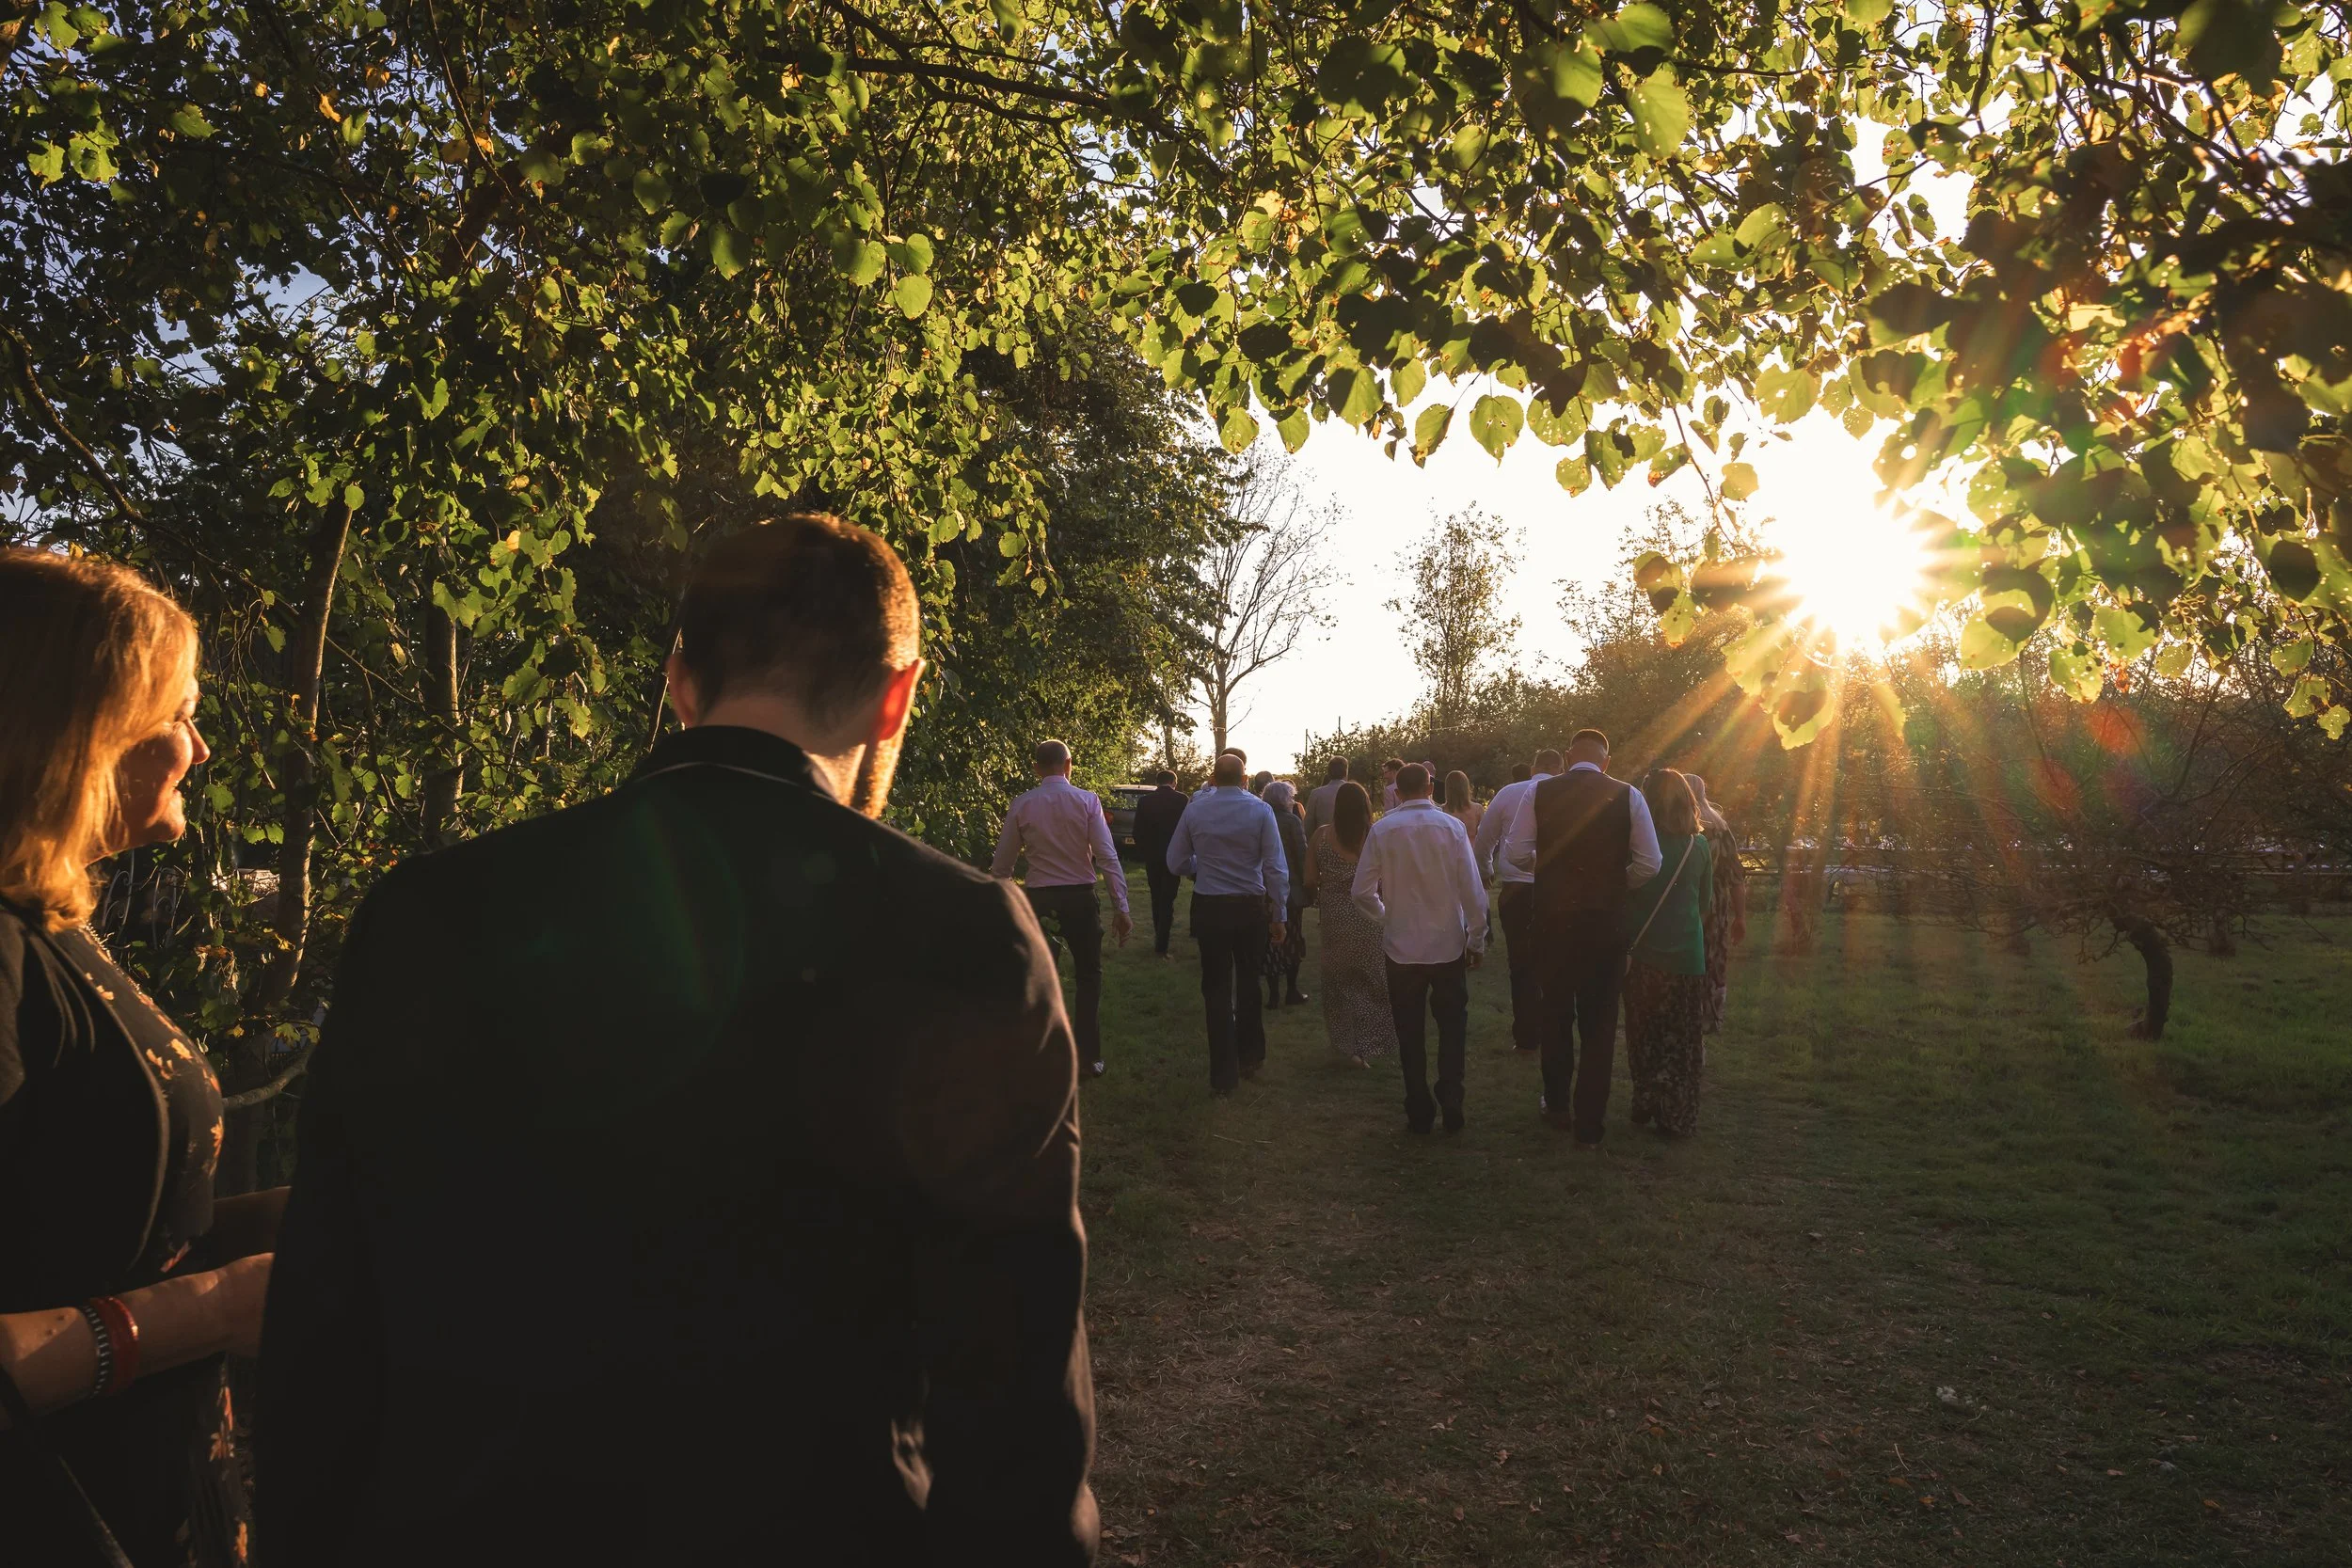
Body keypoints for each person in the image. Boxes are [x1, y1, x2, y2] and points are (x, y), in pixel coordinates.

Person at [259, 515, 1098, 1563]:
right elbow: (1014, 1388)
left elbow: (324, 1333)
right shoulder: (965, 933)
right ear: (898, 696)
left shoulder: (428, 912)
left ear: (678, 682)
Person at [0, 549, 277, 1567]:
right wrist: (208, 1310)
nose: (200, 748)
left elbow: (90, 1226)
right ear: (79, 729)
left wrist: (316, 1216)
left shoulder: (53, 925)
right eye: (178, 712)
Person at [1502, 729, 1661, 1146]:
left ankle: (1556, 1104)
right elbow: (1651, 861)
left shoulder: (1539, 793)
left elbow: (1515, 853)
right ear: (1606, 761)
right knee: (1600, 1021)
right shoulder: (1628, 795)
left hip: (1553, 920)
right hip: (1606, 922)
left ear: (1570, 757)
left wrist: (1549, 864)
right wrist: (1616, 882)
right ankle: (1590, 1121)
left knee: (1555, 1012)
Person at [1351, 765, 1488, 1133]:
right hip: (1447, 944)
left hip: (1402, 948)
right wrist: (1476, 939)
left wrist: (1387, 917)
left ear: (1397, 790)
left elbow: (1361, 892)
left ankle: (1417, 1103)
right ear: (1430, 786)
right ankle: (1452, 1092)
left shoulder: (1383, 829)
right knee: (1452, 1024)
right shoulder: (1452, 828)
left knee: (1408, 1029)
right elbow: (1473, 892)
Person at [993, 738, 1134, 1076]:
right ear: (1069, 765)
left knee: (1042, 979)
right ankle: (1088, 1057)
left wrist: (1009, 903)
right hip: (1081, 899)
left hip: (1041, 900)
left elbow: (1001, 867)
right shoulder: (1087, 801)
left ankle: (1040, 1055)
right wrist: (1121, 906)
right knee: (1089, 976)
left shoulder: (1023, 804)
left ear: (1035, 768)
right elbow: (1106, 856)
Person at [1165, 752, 1288, 1096]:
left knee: (1216, 986)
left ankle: (1222, 1071)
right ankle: (1250, 1056)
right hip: (1250, 906)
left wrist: (1200, 865)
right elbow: (1275, 866)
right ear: (1245, 779)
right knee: (1249, 980)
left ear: (1213, 778)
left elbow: (1174, 860)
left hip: (1210, 906)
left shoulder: (1195, 808)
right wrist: (1280, 914)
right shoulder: (1261, 810)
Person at [1623, 769, 1715, 1137]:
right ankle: (1676, 1112)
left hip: (1643, 954)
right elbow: (1704, 904)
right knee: (1683, 1037)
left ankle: (1646, 1096)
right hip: (1687, 957)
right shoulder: (1700, 848)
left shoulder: (1639, 848)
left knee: (1643, 1033)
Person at [1472, 748, 1560, 1053]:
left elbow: (1485, 840)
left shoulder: (1509, 793)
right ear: (1559, 768)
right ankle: (1554, 1029)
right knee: (1555, 962)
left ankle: (1526, 1034)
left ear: (1534, 765)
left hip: (1517, 889)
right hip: (1557, 890)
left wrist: (1485, 871)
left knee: (1521, 963)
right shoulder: (1567, 794)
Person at [1300, 782, 1391, 1068]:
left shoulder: (1322, 836)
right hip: (1370, 915)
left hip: (1335, 916)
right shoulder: (1375, 836)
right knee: (1373, 978)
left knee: (1338, 981)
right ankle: (1369, 1043)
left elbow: (1309, 880)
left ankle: (1345, 1044)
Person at [1686, 775, 1749, 1035]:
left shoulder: (1676, 826)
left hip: (1686, 899)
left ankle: (1685, 1012)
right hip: (1716, 902)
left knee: (1688, 956)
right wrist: (1740, 916)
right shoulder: (1720, 827)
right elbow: (1736, 876)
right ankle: (1712, 1016)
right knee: (1714, 956)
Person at [1260, 782, 1310, 1008]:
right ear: (1285, 799)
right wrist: (1308, 884)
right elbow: (1302, 855)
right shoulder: (1291, 821)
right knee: (1292, 938)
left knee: (1270, 941)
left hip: (1263, 888)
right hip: (1290, 888)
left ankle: (1272, 994)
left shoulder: (1259, 818)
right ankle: (1292, 990)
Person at [1132, 768, 1190, 960]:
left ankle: (1159, 934)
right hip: (1174, 855)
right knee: (1168, 899)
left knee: (1156, 896)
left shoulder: (1145, 801)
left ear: (1157, 782)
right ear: (1174, 782)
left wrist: (1144, 851)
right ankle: (1162, 944)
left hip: (1153, 856)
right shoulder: (1182, 800)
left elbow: (1137, 831)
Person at [1303, 757, 1349, 841]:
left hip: (1323, 842)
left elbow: (1308, 825)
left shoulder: (1316, 794)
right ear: (1345, 772)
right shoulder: (1355, 792)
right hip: (1349, 844)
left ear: (1329, 772)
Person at [1439, 769, 1484, 839]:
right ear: (1466, 787)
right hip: (1471, 849)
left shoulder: (1441, 811)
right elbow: (1484, 836)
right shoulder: (1477, 810)